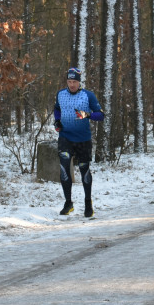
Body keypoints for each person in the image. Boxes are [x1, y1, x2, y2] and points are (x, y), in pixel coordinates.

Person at [53, 67, 104, 217]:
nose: (72, 85)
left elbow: (101, 116)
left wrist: (87, 114)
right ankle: (68, 203)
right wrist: (57, 122)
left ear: (79, 82)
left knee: (84, 170)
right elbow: (57, 109)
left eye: (74, 81)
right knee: (64, 169)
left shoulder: (88, 95)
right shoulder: (60, 94)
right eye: (69, 81)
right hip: (65, 137)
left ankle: (88, 203)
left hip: (83, 139)